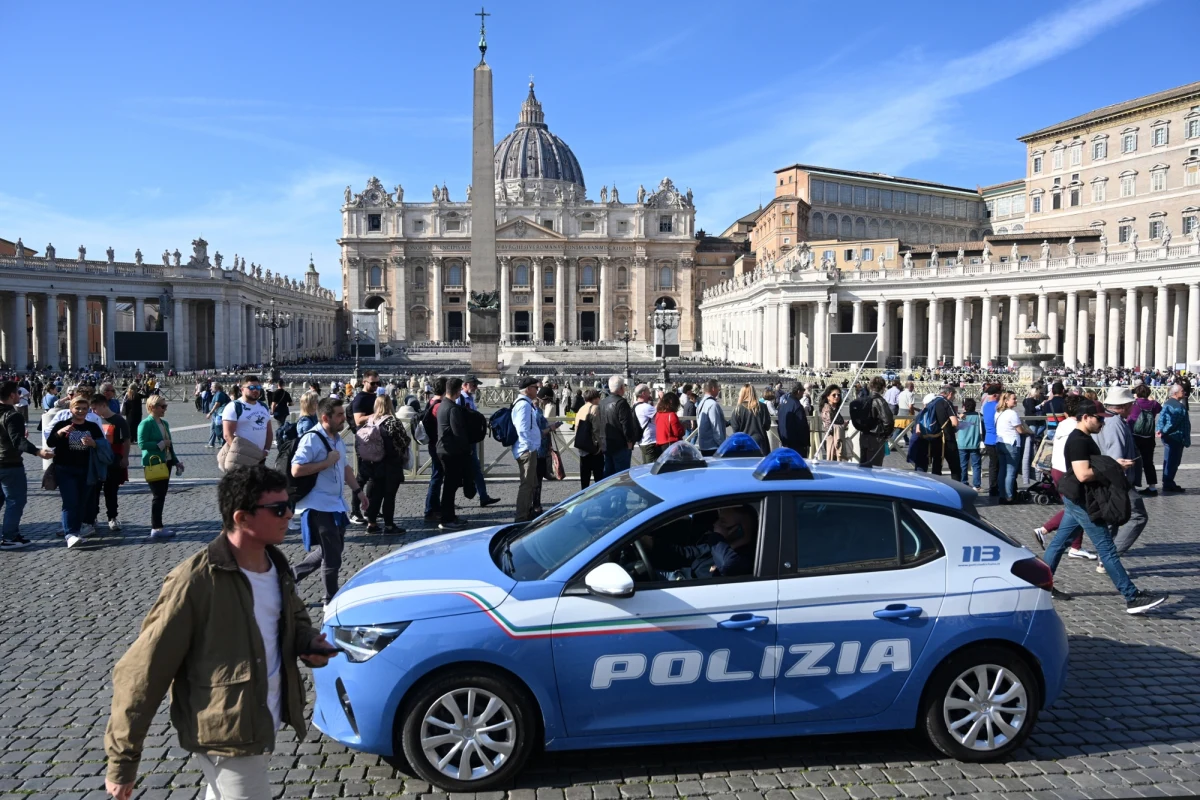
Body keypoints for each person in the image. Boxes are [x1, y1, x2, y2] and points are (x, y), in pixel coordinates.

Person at [103, 466, 333, 800]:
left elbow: (293, 618)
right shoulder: (194, 582)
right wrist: (122, 761)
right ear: (242, 517)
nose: (289, 515)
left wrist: (308, 642)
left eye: (290, 505)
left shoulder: (276, 565)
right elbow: (141, 672)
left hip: (259, 719)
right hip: (226, 732)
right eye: (278, 509)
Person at [1041, 400, 1168, 615]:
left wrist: (1112, 463)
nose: (1102, 423)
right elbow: (1083, 474)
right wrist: (1114, 466)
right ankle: (1132, 597)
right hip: (1083, 501)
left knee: (1059, 543)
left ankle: (1041, 586)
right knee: (1107, 549)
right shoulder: (1078, 441)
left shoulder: (1083, 437)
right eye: (1099, 419)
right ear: (1085, 417)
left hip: (1075, 497)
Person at [291, 397, 367, 604]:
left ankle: (291, 575)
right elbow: (296, 469)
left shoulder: (337, 438)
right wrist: (326, 462)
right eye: (339, 415)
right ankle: (330, 599)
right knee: (332, 555)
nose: (344, 418)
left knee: (332, 549)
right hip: (317, 505)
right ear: (325, 418)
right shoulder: (311, 439)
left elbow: (345, 467)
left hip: (335, 504)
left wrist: (358, 491)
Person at [1032, 395, 1094, 560]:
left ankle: (1075, 545)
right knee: (1077, 508)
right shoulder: (1077, 427)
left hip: (1056, 468)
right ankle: (1045, 530)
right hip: (1069, 470)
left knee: (1075, 507)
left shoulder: (1062, 424)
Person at [1096, 387, 1147, 566]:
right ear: (1124, 406)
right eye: (1131, 404)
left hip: (1108, 477)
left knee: (1112, 519)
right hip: (1118, 479)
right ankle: (1109, 557)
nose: (1133, 407)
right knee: (1138, 516)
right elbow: (1116, 456)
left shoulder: (1107, 419)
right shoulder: (1115, 424)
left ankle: (1104, 556)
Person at [0, 381, 54, 549]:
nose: (19, 395)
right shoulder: (13, 415)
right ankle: (9, 537)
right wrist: (38, 451)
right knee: (15, 500)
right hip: (9, 463)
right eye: (17, 392)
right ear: (11, 395)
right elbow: (17, 441)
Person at [48, 396, 105, 549]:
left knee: (81, 502)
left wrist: (93, 443)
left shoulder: (92, 426)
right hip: (65, 469)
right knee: (70, 501)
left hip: (87, 469)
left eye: (84, 408)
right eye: (77, 408)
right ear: (71, 409)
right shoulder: (62, 424)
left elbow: (103, 444)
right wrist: (59, 433)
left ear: (88, 410)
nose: (80, 411)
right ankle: (70, 534)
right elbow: (50, 442)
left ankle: (76, 531)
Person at [643, 506, 757, 581]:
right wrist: (652, 543)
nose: (716, 525)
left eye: (723, 522)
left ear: (738, 530)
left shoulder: (746, 558)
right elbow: (688, 554)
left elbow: (727, 565)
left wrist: (717, 536)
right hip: (678, 577)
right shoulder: (721, 544)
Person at [138, 394, 183, 540]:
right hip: (154, 463)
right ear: (152, 407)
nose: (165, 409)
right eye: (162, 406)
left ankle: (158, 526)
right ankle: (156, 527)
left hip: (166, 462)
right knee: (158, 496)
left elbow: (170, 445)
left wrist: (176, 461)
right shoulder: (145, 424)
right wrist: (161, 444)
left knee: (161, 495)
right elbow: (142, 444)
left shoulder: (165, 424)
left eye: (165, 406)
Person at [86, 394, 130, 534]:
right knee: (94, 490)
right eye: (91, 409)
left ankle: (112, 517)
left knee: (111, 490)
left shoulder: (119, 420)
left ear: (104, 405)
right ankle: (92, 517)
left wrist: (125, 457)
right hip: (97, 460)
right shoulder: (93, 420)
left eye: (95, 408)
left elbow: (126, 441)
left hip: (113, 459)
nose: (93, 411)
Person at [458, 375, 500, 508]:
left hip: (471, 439)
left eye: (476, 385)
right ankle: (447, 501)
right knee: (457, 471)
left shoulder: (470, 398)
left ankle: (483, 496)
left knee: (476, 469)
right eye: (473, 385)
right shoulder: (460, 399)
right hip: (464, 441)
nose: (476, 387)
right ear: (465, 384)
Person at [436, 377, 471, 530]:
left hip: (443, 449)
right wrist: (467, 450)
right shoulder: (453, 408)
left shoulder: (442, 405)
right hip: (451, 451)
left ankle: (450, 516)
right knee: (450, 486)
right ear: (458, 391)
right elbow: (458, 433)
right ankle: (447, 519)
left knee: (449, 485)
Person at [347, 371, 382, 524]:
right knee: (362, 476)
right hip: (363, 441)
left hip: (373, 440)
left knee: (374, 476)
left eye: (378, 383)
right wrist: (376, 414)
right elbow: (358, 420)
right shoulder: (360, 398)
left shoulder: (374, 397)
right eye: (373, 383)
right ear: (364, 382)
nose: (376, 386)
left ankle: (370, 509)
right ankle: (355, 511)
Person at [221, 375, 272, 469]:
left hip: (260, 456)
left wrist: (266, 450)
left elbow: (269, 431)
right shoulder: (234, 407)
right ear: (242, 389)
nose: (255, 390)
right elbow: (227, 435)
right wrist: (241, 453)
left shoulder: (263, 406)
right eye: (251, 387)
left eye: (258, 387)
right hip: (242, 458)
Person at [511, 377, 542, 522]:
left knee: (530, 484)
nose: (537, 390)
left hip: (527, 449)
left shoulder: (524, 403)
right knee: (526, 485)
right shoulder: (524, 405)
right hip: (526, 451)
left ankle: (527, 512)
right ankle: (521, 517)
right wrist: (529, 448)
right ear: (528, 389)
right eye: (536, 387)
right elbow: (523, 429)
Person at [995, 391, 1032, 504]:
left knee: (1002, 471)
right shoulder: (1012, 413)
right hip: (1011, 443)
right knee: (1010, 472)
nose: (1016, 401)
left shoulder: (998, 412)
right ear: (1006, 401)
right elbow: (1020, 430)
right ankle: (1009, 496)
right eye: (1014, 399)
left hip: (1000, 443)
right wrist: (1028, 431)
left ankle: (1002, 495)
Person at [598, 375, 639, 475]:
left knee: (608, 474)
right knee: (622, 475)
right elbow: (626, 424)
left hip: (606, 443)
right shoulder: (621, 403)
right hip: (620, 444)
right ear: (621, 388)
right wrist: (629, 440)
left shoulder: (602, 403)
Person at [1128, 383, 1162, 495]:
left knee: (1132, 460)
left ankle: (1132, 484)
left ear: (1137, 394)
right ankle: (1152, 487)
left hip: (1135, 436)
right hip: (1149, 437)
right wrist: (1151, 399)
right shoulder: (1154, 404)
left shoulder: (1133, 404)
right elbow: (1159, 409)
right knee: (1149, 462)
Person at [422, 377, 447, 523]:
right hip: (438, 445)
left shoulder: (431, 401)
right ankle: (430, 509)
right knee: (437, 478)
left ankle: (435, 507)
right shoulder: (439, 406)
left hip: (433, 444)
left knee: (437, 476)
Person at [1157, 383, 1190, 492]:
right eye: (1182, 391)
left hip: (1168, 437)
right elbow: (1172, 423)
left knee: (1168, 459)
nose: (1184, 392)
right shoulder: (1178, 407)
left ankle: (1167, 481)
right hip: (1175, 437)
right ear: (1176, 393)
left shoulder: (1167, 403)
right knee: (1173, 461)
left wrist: (1159, 429)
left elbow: (1161, 419)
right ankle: (1168, 483)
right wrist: (1163, 431)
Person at [924, 385, 961, 480]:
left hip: (934, 437)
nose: (953, 398)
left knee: (936, 465)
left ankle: (936, 486)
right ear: (950, 394)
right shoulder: (946, 402)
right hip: (947, 438)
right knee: (955, 466)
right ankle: (956, 487)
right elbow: (955, 422)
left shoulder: (932, 402)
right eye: (953, 396)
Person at [856, 376, 894, 467]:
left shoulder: (863, 399)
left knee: (864, 465)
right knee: (875, 466)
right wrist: (886, 434)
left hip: (863, 436)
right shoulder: (880, 401)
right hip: (876, 438)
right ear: (883, 387)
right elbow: (888, 421)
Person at [730, 384, 772, 455]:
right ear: (754, 393)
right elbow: (767, 426)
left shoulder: (737, 409)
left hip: (744, 445)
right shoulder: (762, 407)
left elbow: (735, 429)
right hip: (761, 444)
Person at [574, 388, 604, 489]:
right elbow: (597, 429)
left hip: (582, 446)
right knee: (598, 477)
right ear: (595, 398)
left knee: (585, 477)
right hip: (592, 447)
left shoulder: (581, 409)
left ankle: (584, 496)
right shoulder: (594, 408)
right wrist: (600, 447)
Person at [775, 383, 811, 456]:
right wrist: (806, 442)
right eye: (802, 391)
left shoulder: (783, 403)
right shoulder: (797, 405)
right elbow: (802, 425)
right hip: (796, 444)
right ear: (798, 391)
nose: (803, 393)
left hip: (784, 441)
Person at [956, 397, 984, 489]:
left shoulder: (961, 417)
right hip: (975, 443)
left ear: (964, 407)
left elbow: (955, 428)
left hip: (962, 443)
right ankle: (977, 485)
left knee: (963, 465)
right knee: (976, 465)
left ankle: (963, 482)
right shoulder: (979, 416)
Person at [696, 379, 728, 457]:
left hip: (703, 445)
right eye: (718, 387)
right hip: (713, 446)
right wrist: (723, 446)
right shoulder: (713, 404)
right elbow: (716, 427)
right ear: (713, 388)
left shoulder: (701, 403)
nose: (719, 389)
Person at [980, 384, 1001, 496]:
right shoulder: (998, 406)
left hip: (988, 439)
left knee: (993, 465)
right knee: (1000, 465)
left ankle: (993, 487)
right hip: (997, 439)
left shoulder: (985, 406)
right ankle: (999, 486)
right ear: (995, 395)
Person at [632, 383, 659, 463]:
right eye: (648, 392)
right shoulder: (645, 407)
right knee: (650, 466)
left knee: (646, 464)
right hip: (650, 442)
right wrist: (662, 399)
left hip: (643, 441)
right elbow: (660, 415)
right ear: (643, 393)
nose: (650, 394)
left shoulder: (636, 405)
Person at [818, 386, 844, 460]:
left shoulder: (835, 408)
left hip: (838, 440)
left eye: (838, 395)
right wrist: (842, 426)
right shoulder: (827, 409)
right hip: (832, 441)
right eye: (834, 395)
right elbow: (828, 428)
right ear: (828, 397)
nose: (837, 397)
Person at [205, 382, 230, 448]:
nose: (210, 388)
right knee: (213, 428)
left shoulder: (219, 394)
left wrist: (210, 413)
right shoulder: (218, 393)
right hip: (216, 413)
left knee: (218, 429)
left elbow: (217, 404)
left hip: (218, 414)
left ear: (216, 387)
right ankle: (211, 443)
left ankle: (222, 444)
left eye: (212, 387)